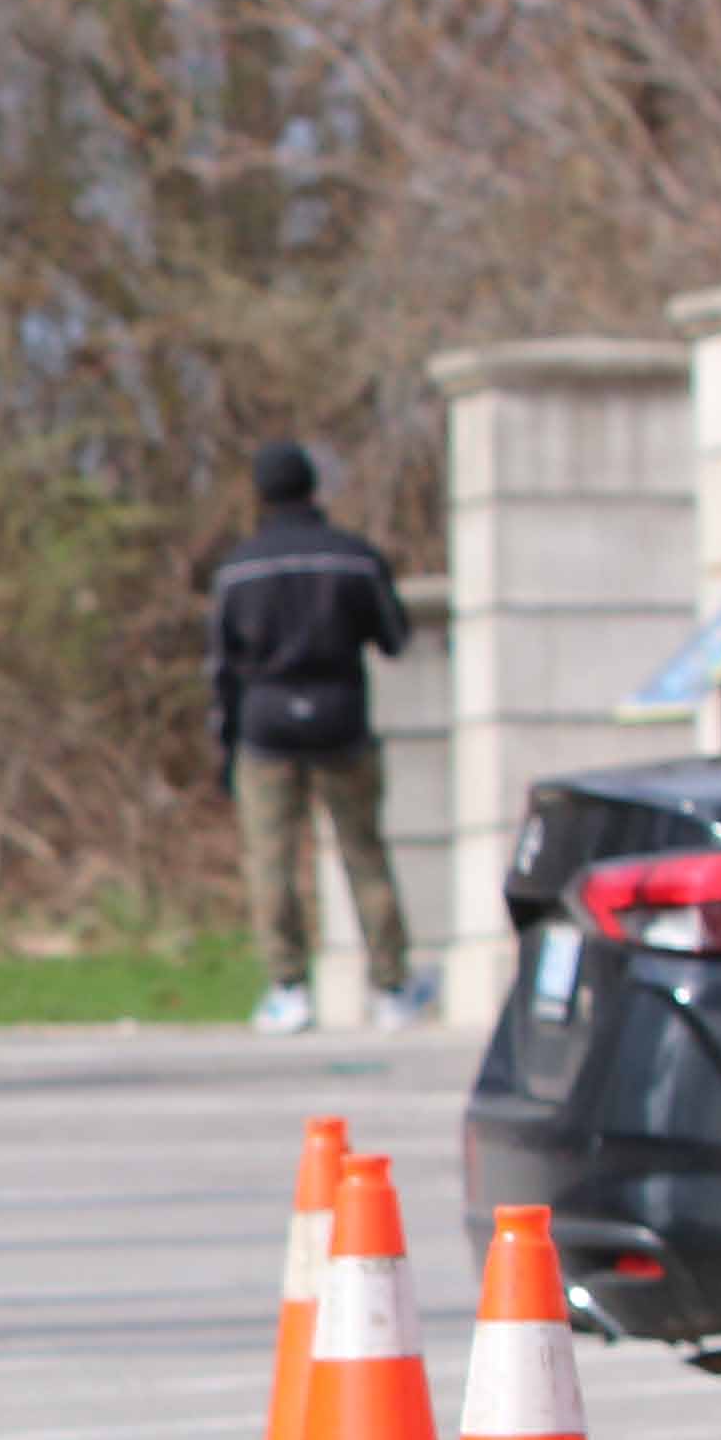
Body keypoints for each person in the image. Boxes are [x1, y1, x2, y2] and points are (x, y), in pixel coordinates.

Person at [209, 443, 428, 1034]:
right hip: (341, 719)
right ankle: (390, 987)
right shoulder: (353, 559)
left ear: (260, 495)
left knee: (271, 861)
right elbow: (394, 637)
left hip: (266, 725)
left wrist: (224, 743)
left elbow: (221, 668)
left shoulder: (239, 569)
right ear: (312, 488)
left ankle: (288, 988)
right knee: (364, 852)